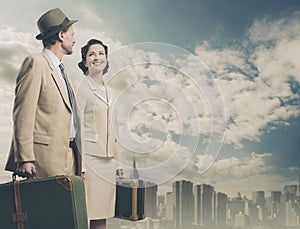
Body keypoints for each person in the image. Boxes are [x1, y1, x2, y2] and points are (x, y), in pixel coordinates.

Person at [5, 8, 82, 178]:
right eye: (72, 34)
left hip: (71, 158)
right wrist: (25, 158)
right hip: (43, 160)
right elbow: (23, 113)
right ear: (61, 35)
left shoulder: (63, 72)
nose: (75, 40)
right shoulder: (35, 63)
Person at [77, 39, 118, 229]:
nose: (97, 57)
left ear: (107, 60)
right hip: (90, 162)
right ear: (85, 62)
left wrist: (117, 161)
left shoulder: (110, 92)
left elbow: (114, 129)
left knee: (102, 216)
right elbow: (76, 128)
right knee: (86, 214)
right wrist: (82, 166)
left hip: (107, 162)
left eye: (101, 53)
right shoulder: (82, 89)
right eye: (92, 54)